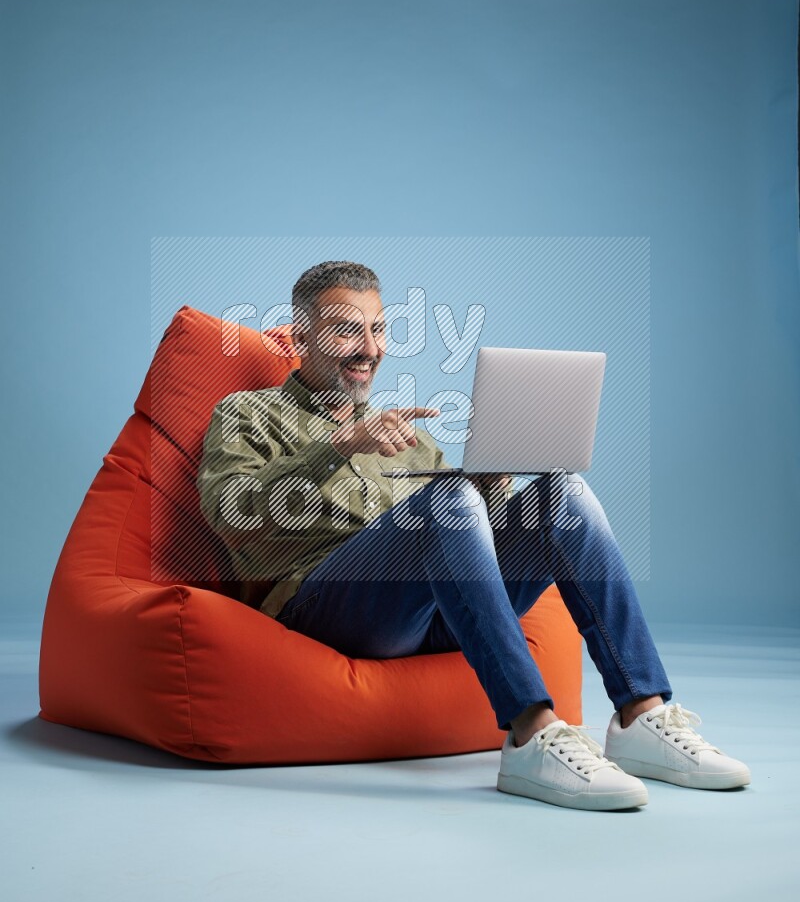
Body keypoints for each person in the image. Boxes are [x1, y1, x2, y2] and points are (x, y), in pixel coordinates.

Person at [197, 260, 751, 811]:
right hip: (325, 607)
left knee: (564, 493)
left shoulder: (410, 440)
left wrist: (494, 479)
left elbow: (472, 540)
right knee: (446, 499)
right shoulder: (249, 414)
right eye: (347, 330)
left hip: (438, 613)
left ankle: (642, 716)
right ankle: (532, 733)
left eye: (379, 328)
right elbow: (233, 514)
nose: (370, 348)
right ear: (301, 336)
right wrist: (340, 447)